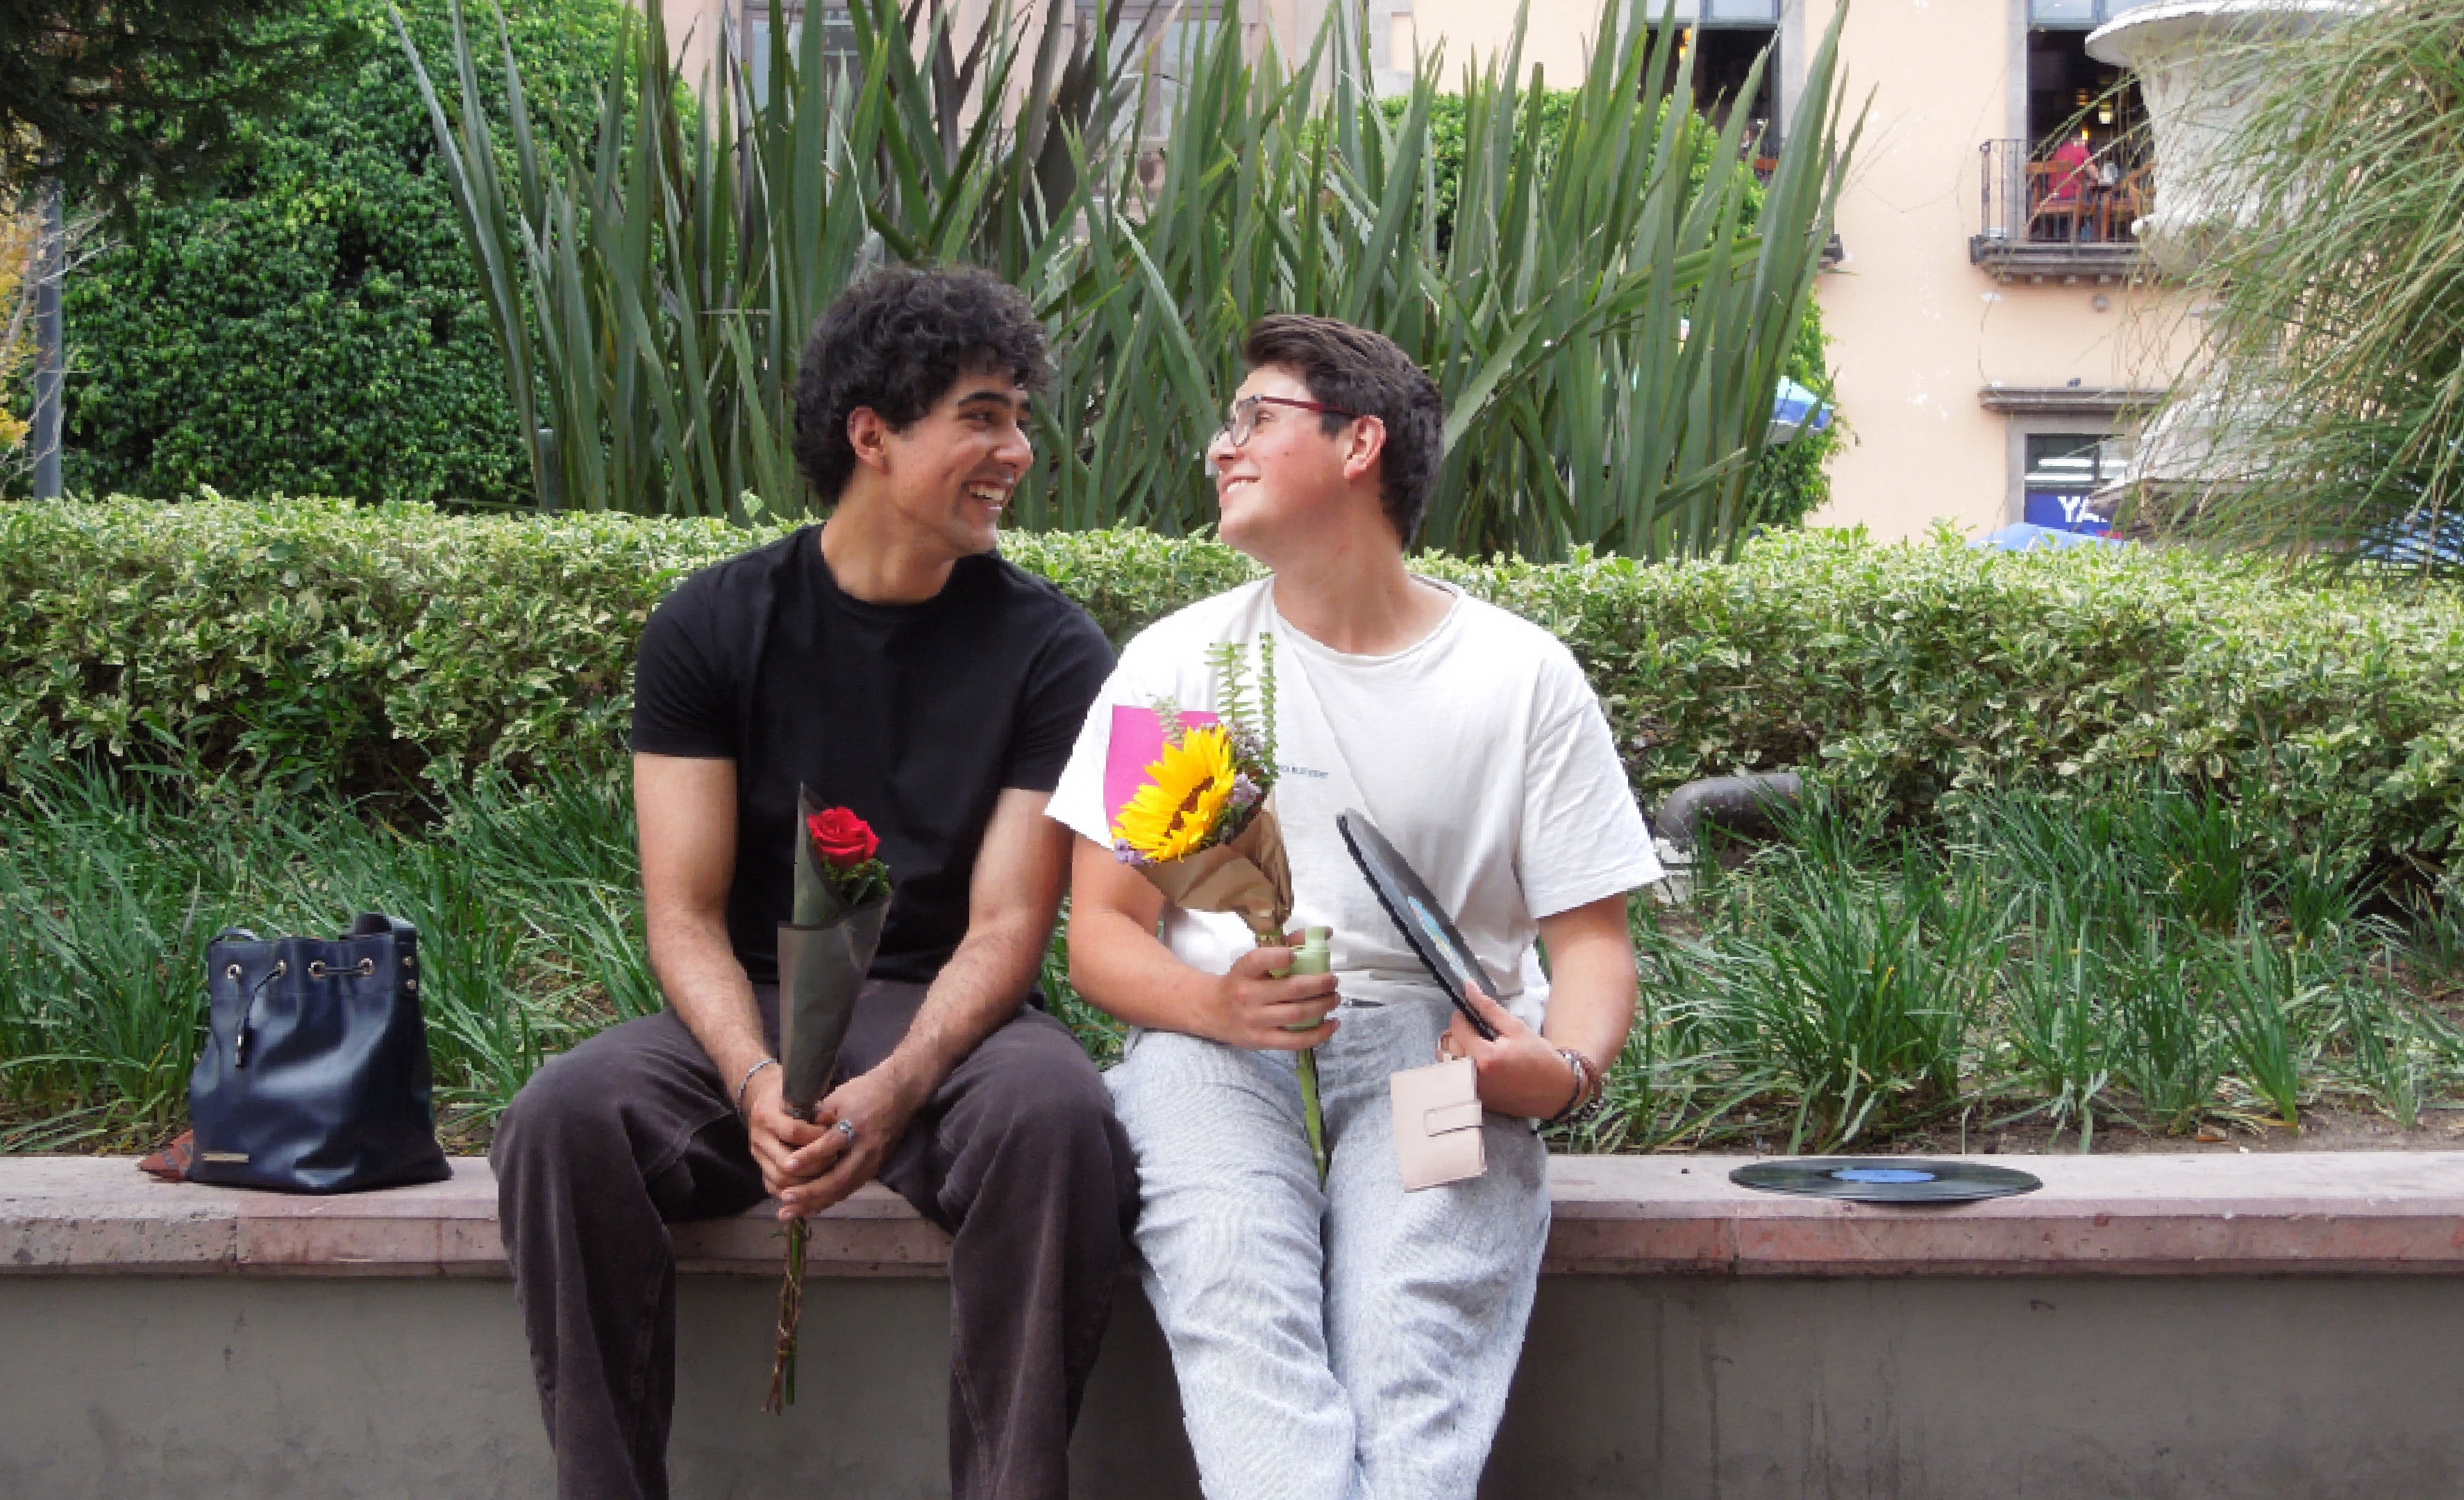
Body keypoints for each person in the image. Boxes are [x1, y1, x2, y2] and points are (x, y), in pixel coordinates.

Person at [494, 265, 1139, 1500]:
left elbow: (1009, 923)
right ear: (872, 433)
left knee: (1058, 1119)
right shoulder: (711, 624)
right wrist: (750, 1080)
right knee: (563, 1119)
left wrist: (897, 1087)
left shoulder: (1052, 649)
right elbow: (683, 913)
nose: (1018, 452)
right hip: (751, 1010)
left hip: (948, 1022)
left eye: (1020, 419)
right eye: (985, 417)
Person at [1048, 315, 1663, 1500]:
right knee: (1235, 1288)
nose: (1222, 446)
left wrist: (1559, 1071)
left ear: (1359, 443)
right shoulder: (1184, 664)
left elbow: (1591, 945)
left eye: (1255, 417)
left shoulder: (1519, 676)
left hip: (1439, 1059)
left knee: (1411, 1327)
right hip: (1216, 1051)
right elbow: (1104, 938)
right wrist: (1218, 1006)